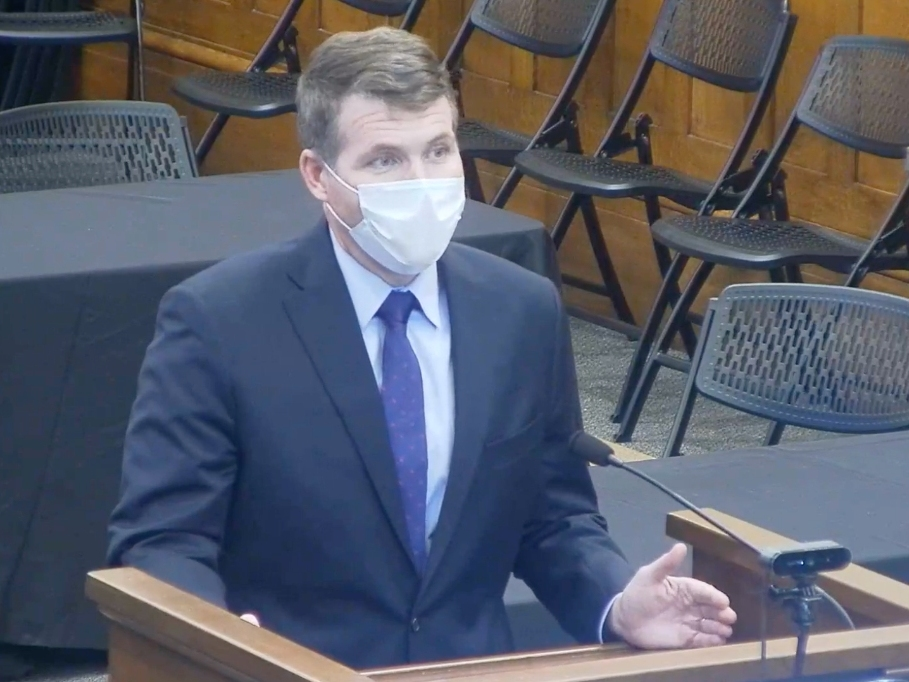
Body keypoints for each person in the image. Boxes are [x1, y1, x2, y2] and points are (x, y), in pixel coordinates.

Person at [107, 26, 736, 670]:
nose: (422, 181)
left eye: (437, 151)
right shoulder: (219, 320)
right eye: (385, 160)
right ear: (319, 177)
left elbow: (553, 519)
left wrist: (615, 602)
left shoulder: (519, 308)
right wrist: (216, 639)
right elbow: (164, 539)